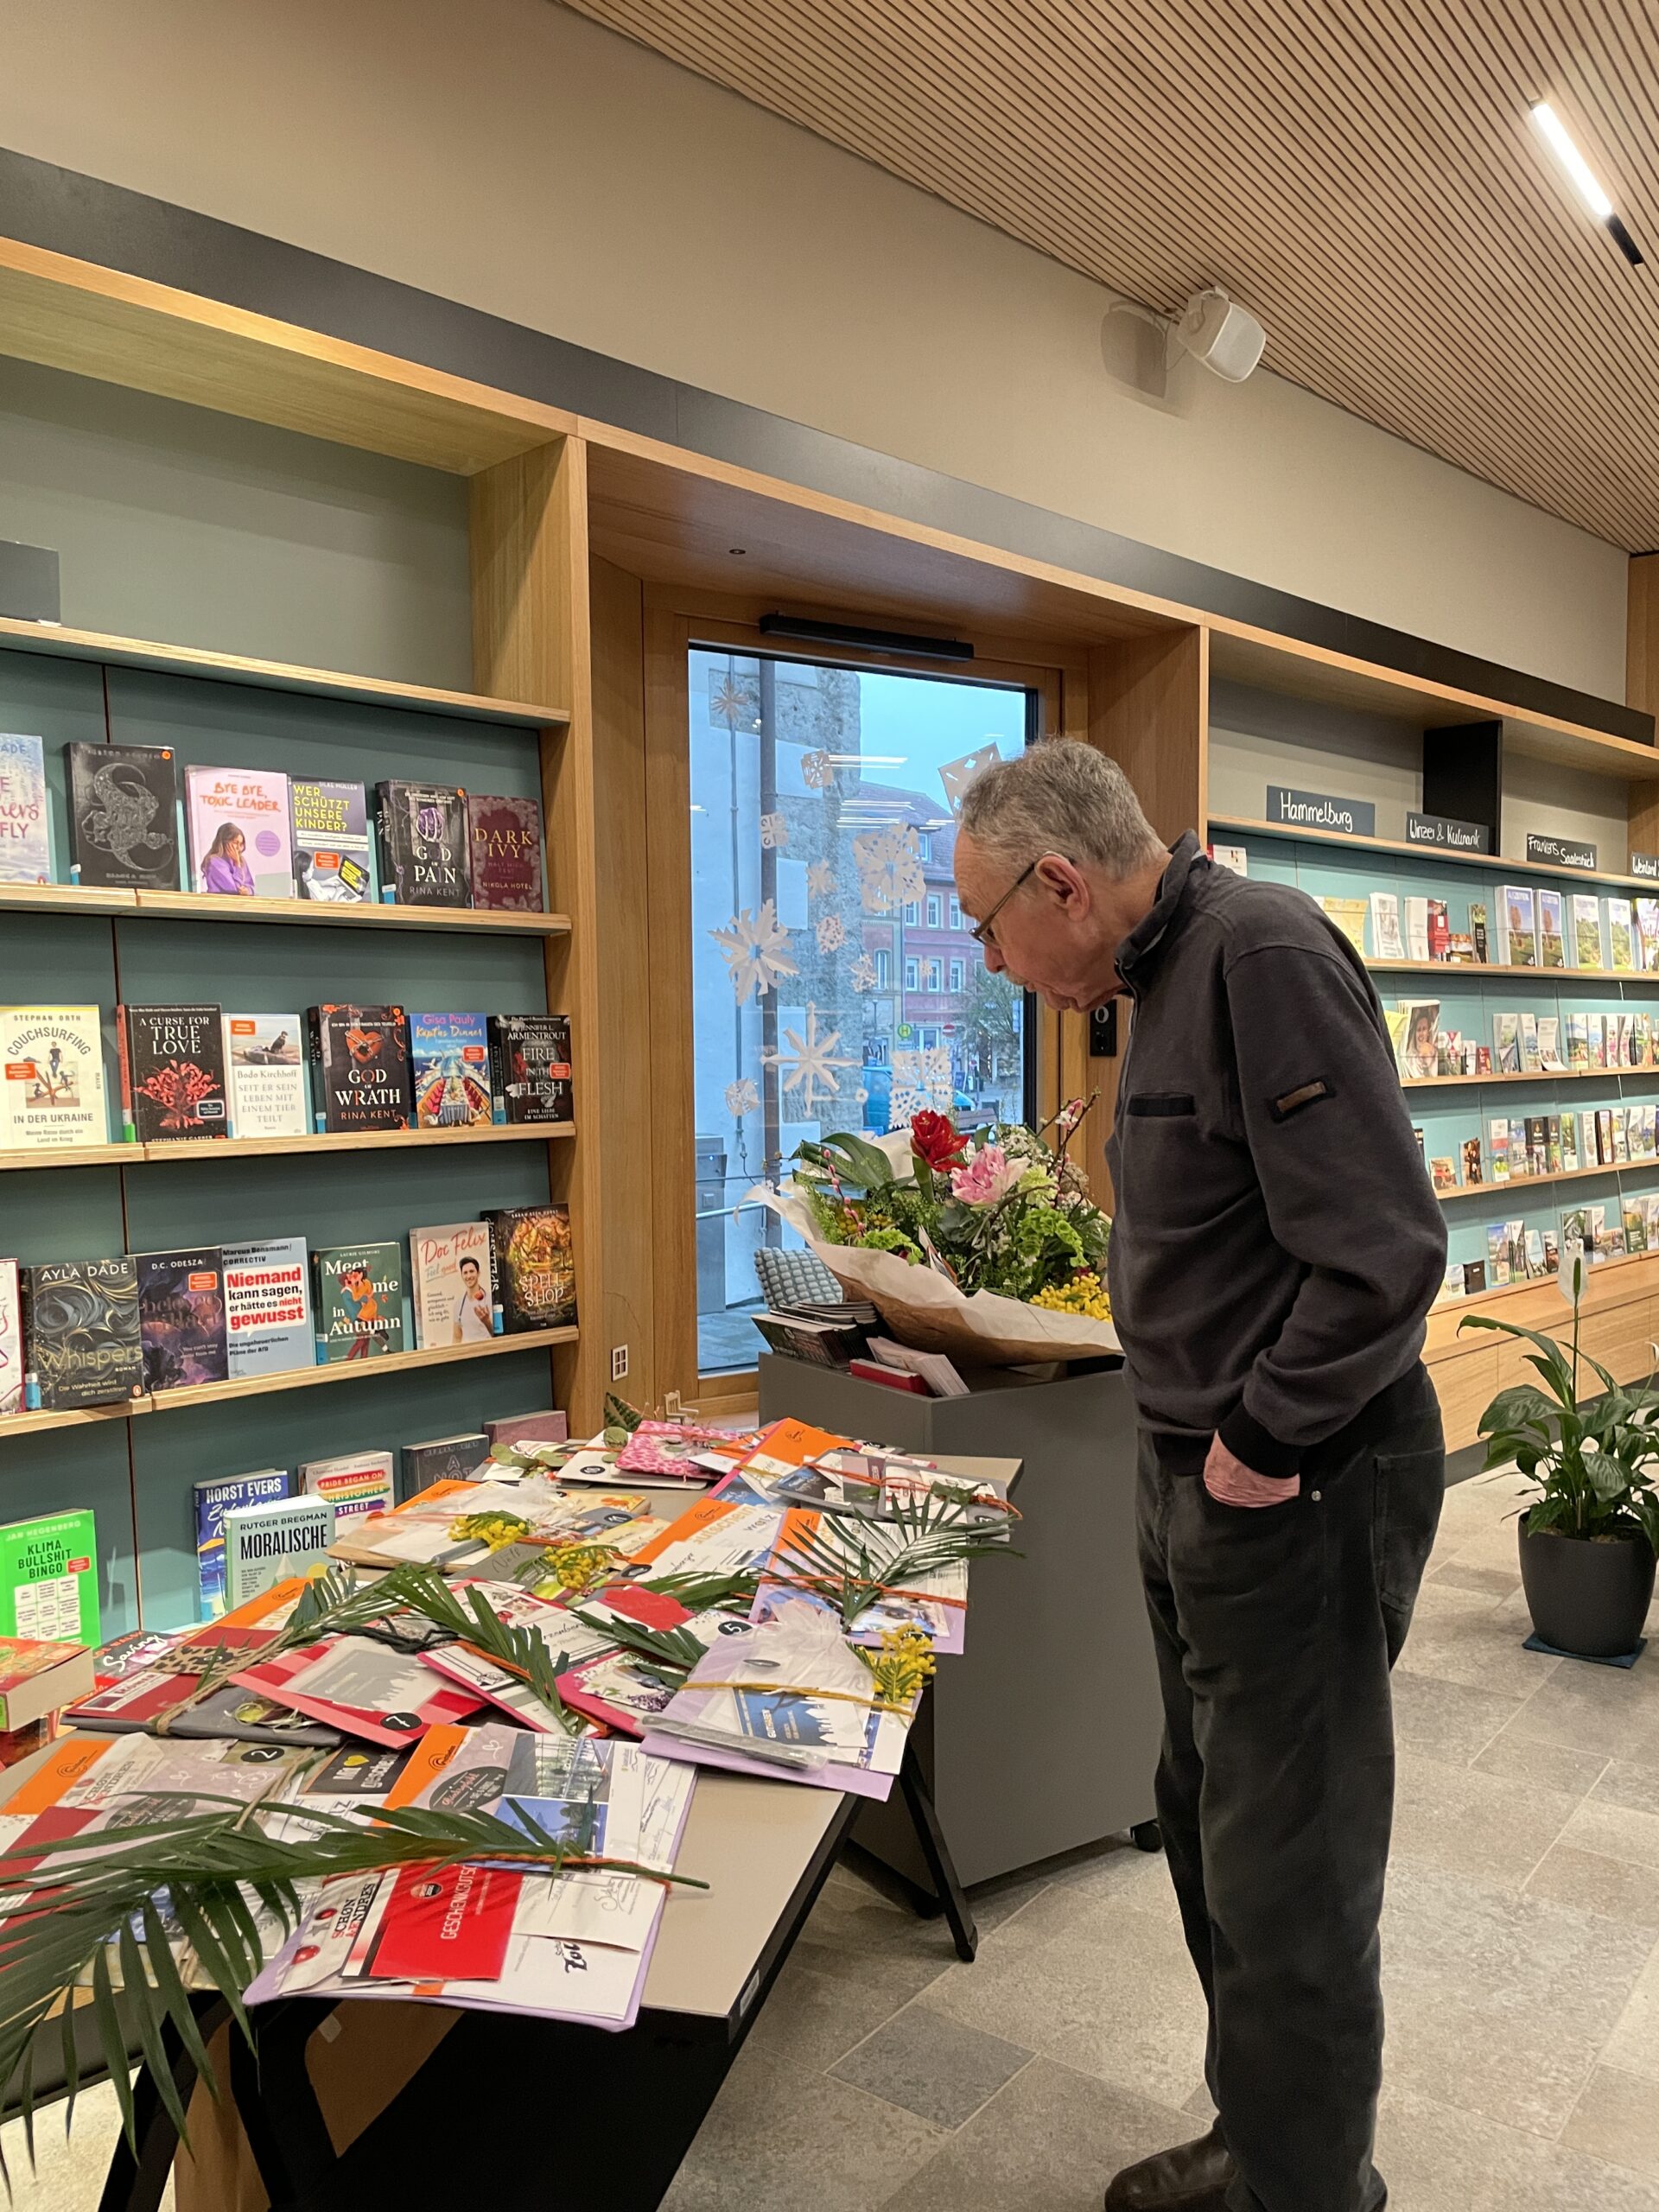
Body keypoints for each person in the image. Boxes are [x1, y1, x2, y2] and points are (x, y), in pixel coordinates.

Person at [954, 741, 1447, 2212]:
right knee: (1213, 1837)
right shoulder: (1159, 977)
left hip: (1294, 1487)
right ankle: (1264, 2143)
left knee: (1290, 1875)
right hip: (1199, 1486)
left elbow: (1383, 1255)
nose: (994, 963)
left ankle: (1309, 2193)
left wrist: (1260, 1443)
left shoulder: (1261, 953)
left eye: (988, 927)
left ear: (1060, 881)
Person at [200, 823, 255, 896]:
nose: (238, 848)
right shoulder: (214, 862)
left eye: (240, 844)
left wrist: (247, 891)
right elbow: (234, 889)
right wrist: (237, 865)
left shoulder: (242, 861)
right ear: (225, 842)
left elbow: (251, 886)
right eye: (235, 843)